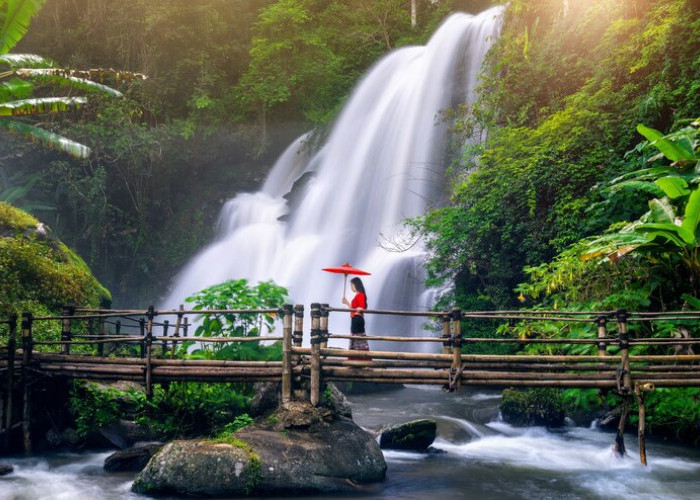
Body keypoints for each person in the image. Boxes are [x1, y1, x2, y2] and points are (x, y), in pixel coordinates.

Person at [342, 277, 369, 353]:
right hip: (355, 318)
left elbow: (362, 307)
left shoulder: (360, 295)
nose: (351, 287)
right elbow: (353, 308)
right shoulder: (358, 295)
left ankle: (359, 357)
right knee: (355, 337)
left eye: (351, 285)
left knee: (357, 337)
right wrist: (346, 302)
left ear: (356, 285)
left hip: (357, 319)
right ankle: (355, 357)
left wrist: (357, 311)